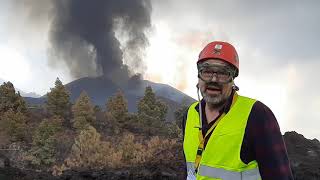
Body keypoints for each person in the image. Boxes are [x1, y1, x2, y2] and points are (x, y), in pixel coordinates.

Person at [182, 41, 293, 180]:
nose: (214, 79)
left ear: (233, 78)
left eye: (223, 73)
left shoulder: (257, 115)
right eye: (207, 71)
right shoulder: (190, 114)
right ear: (199, 75)